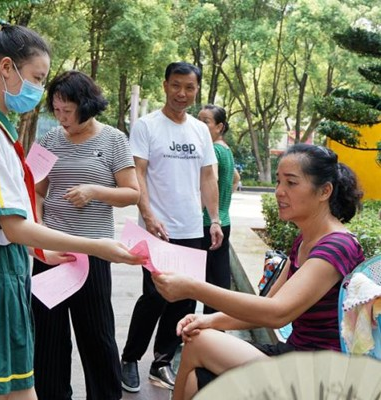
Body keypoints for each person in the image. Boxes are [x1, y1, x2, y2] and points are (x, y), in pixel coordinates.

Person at [0, 23, 144, 400]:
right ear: (7, 68)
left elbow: (14, 219)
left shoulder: (1, 129)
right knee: (14, 379)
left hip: (6, 264)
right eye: (37, 79)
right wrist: (95, 247)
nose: (42, 95)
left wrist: (39, 247)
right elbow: (16, 221)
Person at [151, 143, 365, 400]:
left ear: (324, 191)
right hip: (294, 355)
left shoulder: (338, 245)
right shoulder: (306, 240)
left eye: (291, 183)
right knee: (196, 377)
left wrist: (193, 288)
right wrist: (208, 319)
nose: (279, 192)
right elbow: (266, 305)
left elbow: (278, 314)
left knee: (201, 343)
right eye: (278, 182)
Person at [32, 70, 140, 400]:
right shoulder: (48, 140)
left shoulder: (113, 139)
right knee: (49, 338)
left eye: (68, 111)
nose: (61, 118)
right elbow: (35, 192)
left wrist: (95, 190)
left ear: (86, 105)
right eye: (56, 110)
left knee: (97, 335)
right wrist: (38, 240)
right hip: (50, 253)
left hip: (93, 254)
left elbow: (132, 193)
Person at [120, 61, 223, 393]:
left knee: (184, 301)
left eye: (189, 87)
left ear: (196, 90)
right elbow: (137, 172)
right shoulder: (147, 126)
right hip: (156, 229)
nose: (182, 93)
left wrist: (215, 218)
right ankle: (129, 359)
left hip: (192, 228)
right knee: (153, 297)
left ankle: (161, 361)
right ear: (165, 85)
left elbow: (208, 176)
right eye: (176, 85)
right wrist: (148, 215)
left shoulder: (199, 130)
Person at [197, 105, 240, 313]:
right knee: (220, 277)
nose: (199, 125)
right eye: (198, 119)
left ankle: (211, 330)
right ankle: (218, 328)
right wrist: (224, 200)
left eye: (206, 121)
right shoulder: (226, 149)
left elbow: (210, 179)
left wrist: (198, 211)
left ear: (219, 126)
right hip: (225, 221)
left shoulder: (213, 149)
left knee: (208, 281)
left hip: (208, 224)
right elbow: (235, 178)